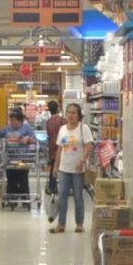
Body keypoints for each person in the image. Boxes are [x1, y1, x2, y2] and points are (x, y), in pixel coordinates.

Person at [50, 103, 94, 233]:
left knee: (78, 196)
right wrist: (56, 166)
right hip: (64, 168)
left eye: (74, 113)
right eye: (68, 112)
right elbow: (60, 149)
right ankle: (61, 224)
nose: (71, 115)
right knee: (62, 196)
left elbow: (89, 146)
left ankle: (79, 223)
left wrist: (82, 160)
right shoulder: (63, 129)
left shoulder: (83, 128)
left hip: (78, 169)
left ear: (79, 114)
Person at [45, 100, 67, 193]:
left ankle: (52, 186)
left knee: (54, 166)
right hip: (62, 146)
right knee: (63, 167)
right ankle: (64, 186)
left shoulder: (48, 121)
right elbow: (66, 134)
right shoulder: (63, 120)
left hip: (52, 146)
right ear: (58, 108)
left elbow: (49, 135)